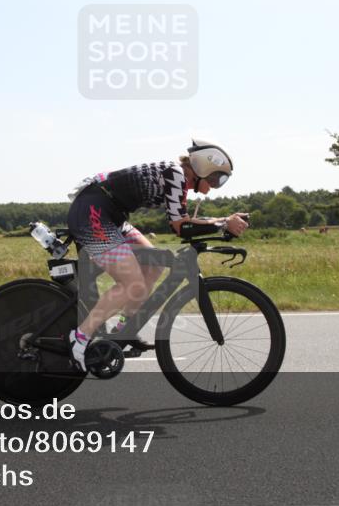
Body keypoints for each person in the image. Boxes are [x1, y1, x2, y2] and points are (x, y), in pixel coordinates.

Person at [65, 139, 249, 371]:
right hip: (94, 210)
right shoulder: (176, 174)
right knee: (131, 282)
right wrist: (224, 224)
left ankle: (123, 330)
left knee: (154, 264)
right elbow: (180, 226)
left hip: (112, 214)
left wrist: (224, 221)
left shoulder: (178, 177)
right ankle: (79, 338)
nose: (215, 185)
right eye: (216, 178)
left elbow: (182, 220)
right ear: (203, 167)